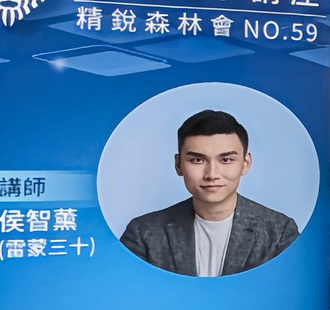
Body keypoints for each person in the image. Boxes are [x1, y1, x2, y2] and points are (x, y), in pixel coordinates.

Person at [119, 108, 301, 277]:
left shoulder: (279, 232)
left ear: (245, 164)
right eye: (197, 160)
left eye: (226, 160)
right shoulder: (143, 233)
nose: (212, 174)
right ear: (178, 165)